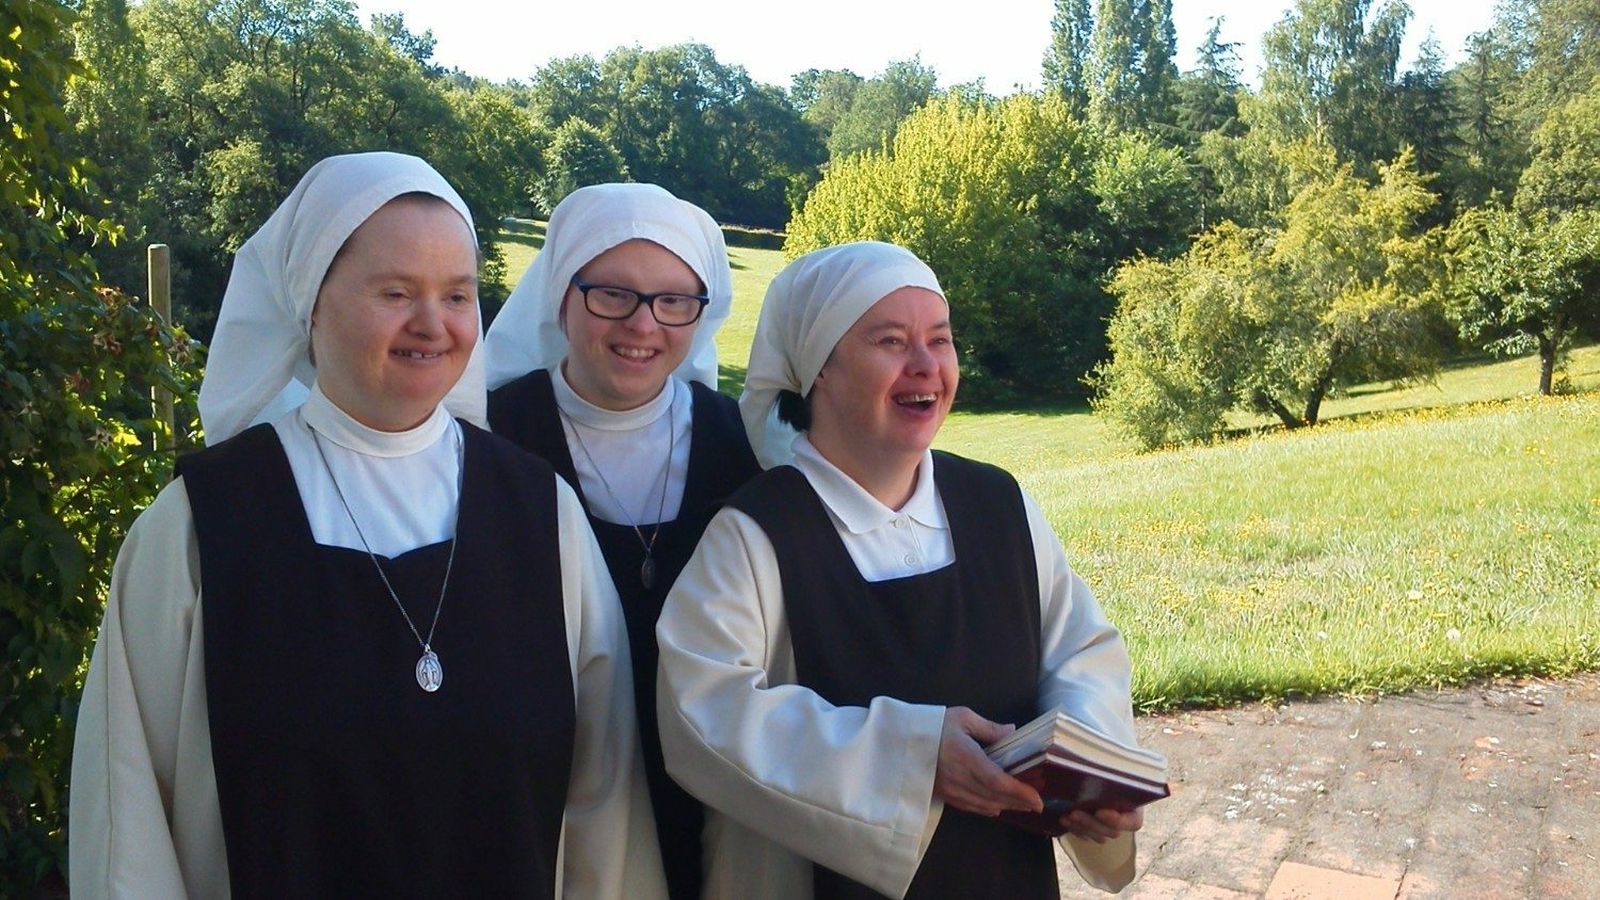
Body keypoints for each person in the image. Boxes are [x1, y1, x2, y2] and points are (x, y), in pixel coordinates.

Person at [69, 152, 665, 899]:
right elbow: (127, 812)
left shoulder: (541, 514)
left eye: (457, 294)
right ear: (310, 301)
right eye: (395, 292)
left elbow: (605, 801)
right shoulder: (206, 523)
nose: (433, 324)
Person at [655, 241, 1148, 899]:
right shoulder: (755, 534)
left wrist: (1087, 772)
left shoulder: (999, 505)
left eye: (939, 340)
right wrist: (911, 759)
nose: (926, 365)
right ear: (818, 369)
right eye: (890, 341)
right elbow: (703, 715)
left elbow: (1080, 654)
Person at [483, 183, 761, 900]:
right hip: (553, 803)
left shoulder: (744, 446)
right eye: (613, 294)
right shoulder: (488, 439)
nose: (644, 324)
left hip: (716, 793)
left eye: (675, 301)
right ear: (562, 295)